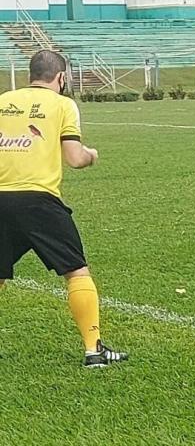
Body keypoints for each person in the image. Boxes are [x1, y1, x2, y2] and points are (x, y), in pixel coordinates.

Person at [0, 50, 128, 366]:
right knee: (76, 271)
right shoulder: (62, 104)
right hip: (38, 200)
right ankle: (94, 350)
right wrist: (91, 155)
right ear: (61, 77)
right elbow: (74, 157)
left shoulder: (3, 100)